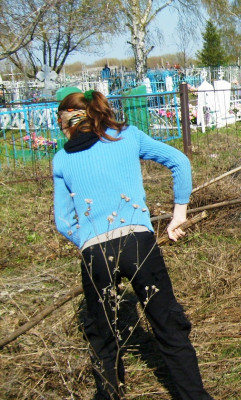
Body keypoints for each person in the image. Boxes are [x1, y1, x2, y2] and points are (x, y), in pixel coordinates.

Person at [53, 90, 212, 400]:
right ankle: (193, 395)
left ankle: (111, 394)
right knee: (167, 322)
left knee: (103, 335)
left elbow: (63, 221)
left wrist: (88, 241)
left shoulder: (62, 158)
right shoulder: (128, 137)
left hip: (95, 251)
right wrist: (178, 215)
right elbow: (179, 161)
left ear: (68, 122)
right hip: (140, 244)